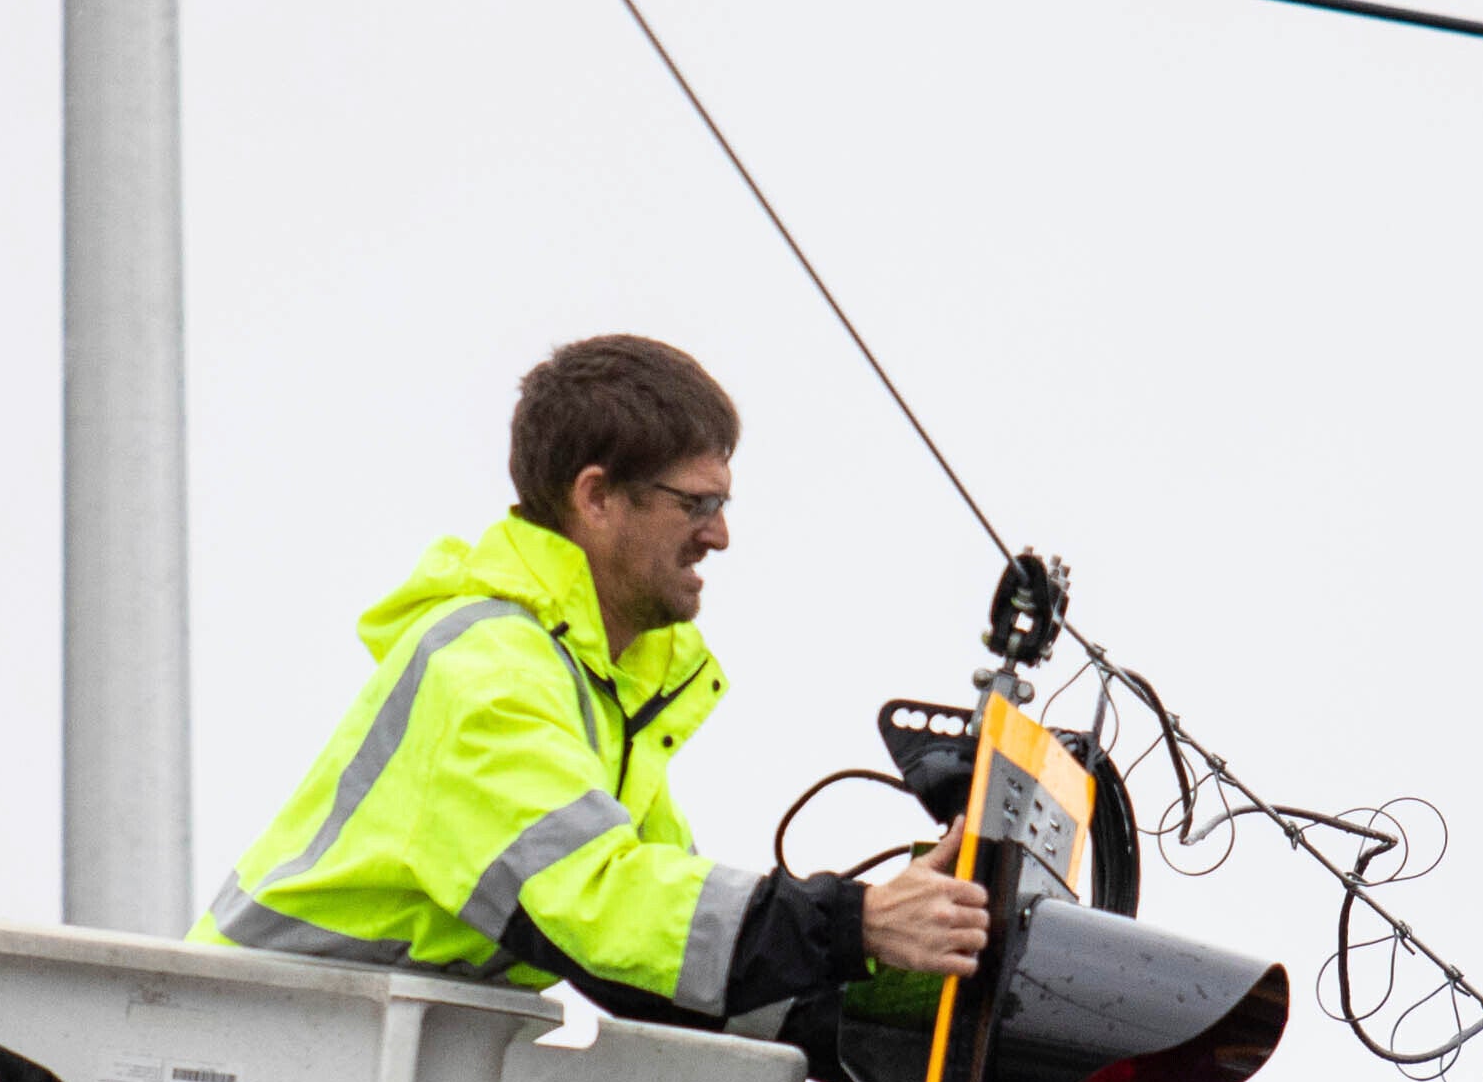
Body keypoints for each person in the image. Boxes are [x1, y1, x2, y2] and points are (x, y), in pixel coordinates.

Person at [197, 334, 986, 1018]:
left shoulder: (598, 693)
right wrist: (859, 923)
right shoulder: (488, 673)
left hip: (333, 1064)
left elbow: (667, 960)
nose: (721, 535)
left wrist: (903, 962)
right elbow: (603, 906)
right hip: (246, 1060)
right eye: (698, 502)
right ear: (597, 497)